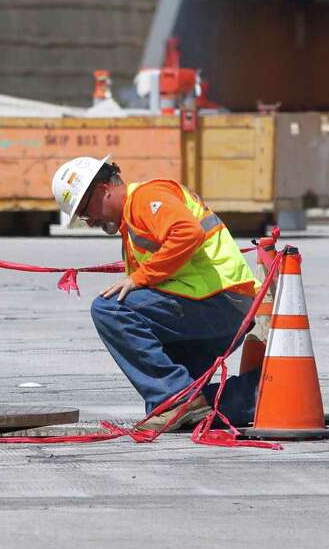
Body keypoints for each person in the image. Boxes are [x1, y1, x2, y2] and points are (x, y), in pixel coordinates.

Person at [50, 155, 262, 432]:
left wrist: (141, 277)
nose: (89, 222)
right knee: (168, 408)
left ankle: (182, 400)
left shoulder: (145, 197)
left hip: (219, 301)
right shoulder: (133, 224)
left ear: (104, 190)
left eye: (86, 212)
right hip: (215, 310)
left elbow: (187, 233)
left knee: (110, 309)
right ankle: (261, 394)